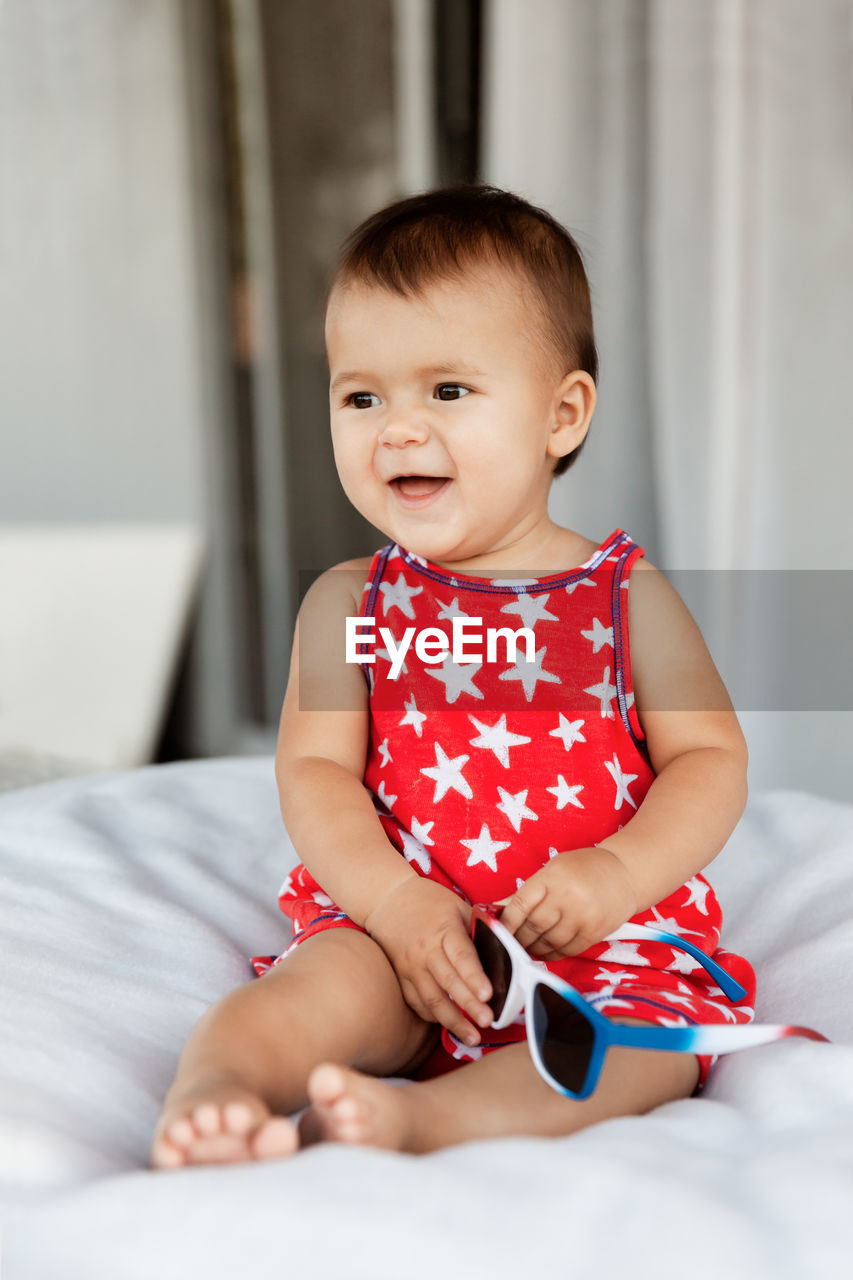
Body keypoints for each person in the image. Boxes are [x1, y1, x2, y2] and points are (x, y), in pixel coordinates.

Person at [150, 184, 756, 1167]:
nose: (395, 428)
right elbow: (314, 774)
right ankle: (216, 1085)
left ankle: (426, 1121)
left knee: (638, 1052)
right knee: (307, 994)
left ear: (560, 414)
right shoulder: (350, 602)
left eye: (446, 390)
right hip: (401, 933)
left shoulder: (621, 595)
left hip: (592, 945)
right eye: (361, 396)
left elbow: (710, 756)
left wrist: (614, 876)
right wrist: (391, 903)